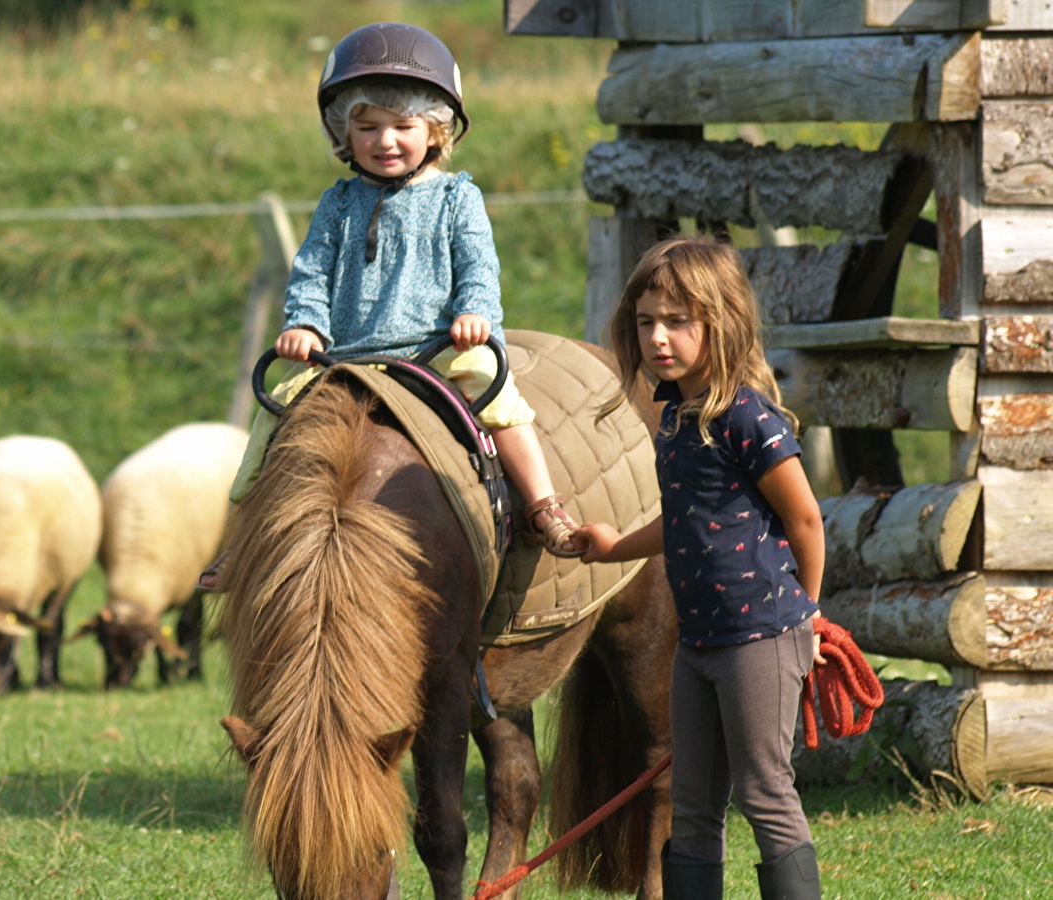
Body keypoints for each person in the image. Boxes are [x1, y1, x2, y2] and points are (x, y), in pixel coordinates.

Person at [198, 22, 581, 591]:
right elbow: (311, 271)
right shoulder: (338, 204)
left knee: (497, 398)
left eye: (404, 126)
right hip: (348, 355)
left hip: (437, 349)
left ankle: (541, 504)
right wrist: (305, 324)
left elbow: (479, 265)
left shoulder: (457, 198)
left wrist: (474, 314)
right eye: (367, 126)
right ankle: (245, 534)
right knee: (274, 417)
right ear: (343, 133)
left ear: (437, 130)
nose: (385, 141)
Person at [573, 235, 827, 900]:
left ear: (722, 322)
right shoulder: (676, 419)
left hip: (761, 639)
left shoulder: (747, 415)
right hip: (700, 645)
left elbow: (805, 520)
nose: (659, 337)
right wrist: (613, 547)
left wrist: (809, 613)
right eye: (647, 321)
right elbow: (686, 521)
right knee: (690, 805)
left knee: (765, 792)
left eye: (678, 322)